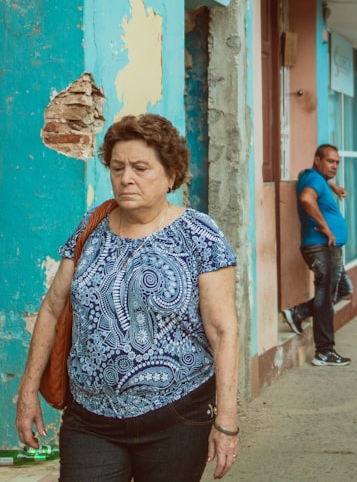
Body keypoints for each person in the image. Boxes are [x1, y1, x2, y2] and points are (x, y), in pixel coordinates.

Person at [15, 114, 240, 481]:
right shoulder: (93, 225)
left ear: (170, 175)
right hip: (90, 419)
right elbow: (53, 310)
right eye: (117, 167)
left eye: (140, 168)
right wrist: (28, 391)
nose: (126, 178)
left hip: (178, 417)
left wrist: (227, 420)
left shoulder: (200, 234)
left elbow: (222, 329)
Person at [281, 144, 352, 367]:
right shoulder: (313, 180)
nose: (335, 166)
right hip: (321, 246)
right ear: (318, 160)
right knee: (324, 299)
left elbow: (311, 180)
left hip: (325, 248)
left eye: (337, 162)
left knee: (343, 289)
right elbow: (306, 199)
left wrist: (334, 187)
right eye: (330, 161)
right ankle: (324, 351)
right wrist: (325, 227)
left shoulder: (313, 176)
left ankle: (298, 312)